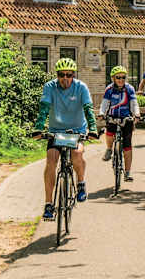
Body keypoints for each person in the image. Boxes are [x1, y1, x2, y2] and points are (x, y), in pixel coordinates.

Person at [31, 57, 98, 221]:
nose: (65, 79)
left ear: (73, 75)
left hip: (76, 131)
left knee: (77, 154)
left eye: (69, 75)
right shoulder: (50, 87)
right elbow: (44, 108)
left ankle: (81, 183)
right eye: (62, 75)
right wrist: (39, 127)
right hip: (56, 131)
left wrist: (93, 129)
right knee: (51, 160)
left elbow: (88, 109)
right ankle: (48, 204)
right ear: (57, 75)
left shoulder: (81, 87)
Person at [99, 65, 141, 182]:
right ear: (113, 78)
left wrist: (136, 114)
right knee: (109, 132)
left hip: (126, 118)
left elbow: (134, 103)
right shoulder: (109, 89)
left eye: (123, 77)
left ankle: (127, 173)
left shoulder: (129, 88)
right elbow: (104, 103)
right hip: (112, 116)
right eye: (118, 77)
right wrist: (102, 113)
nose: (121, 80)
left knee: (127, 145)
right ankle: (109, 149)